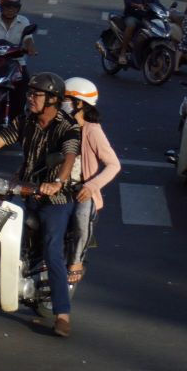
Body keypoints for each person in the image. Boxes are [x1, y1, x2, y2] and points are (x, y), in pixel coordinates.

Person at [0, 73, 81, 337]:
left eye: (35, 95)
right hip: (25, 189)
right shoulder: (25, 120)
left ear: (52, 100)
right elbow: (0, 139)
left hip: (56, 199)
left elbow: (69, 157)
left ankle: (62, 313)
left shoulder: (67, 127)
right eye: (29, 93)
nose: (30, 99)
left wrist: (58, 182)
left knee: (51, 247)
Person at [60, 76, 116, 286]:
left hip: (80, 191)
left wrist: (91, 186)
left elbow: (113, 165)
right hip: (56, 185)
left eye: (66, 99)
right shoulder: (61, 125)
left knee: (81, 216)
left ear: (80, 104)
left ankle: (75, 261)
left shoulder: (92, 131)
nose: (61, 103)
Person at [118, 0, 162, 64]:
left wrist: (166, 10)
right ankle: (123, 52)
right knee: (131, 25)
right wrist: (136, 5)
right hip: (133, 16)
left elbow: (157, 3)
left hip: (146, 17)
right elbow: (127, 1)